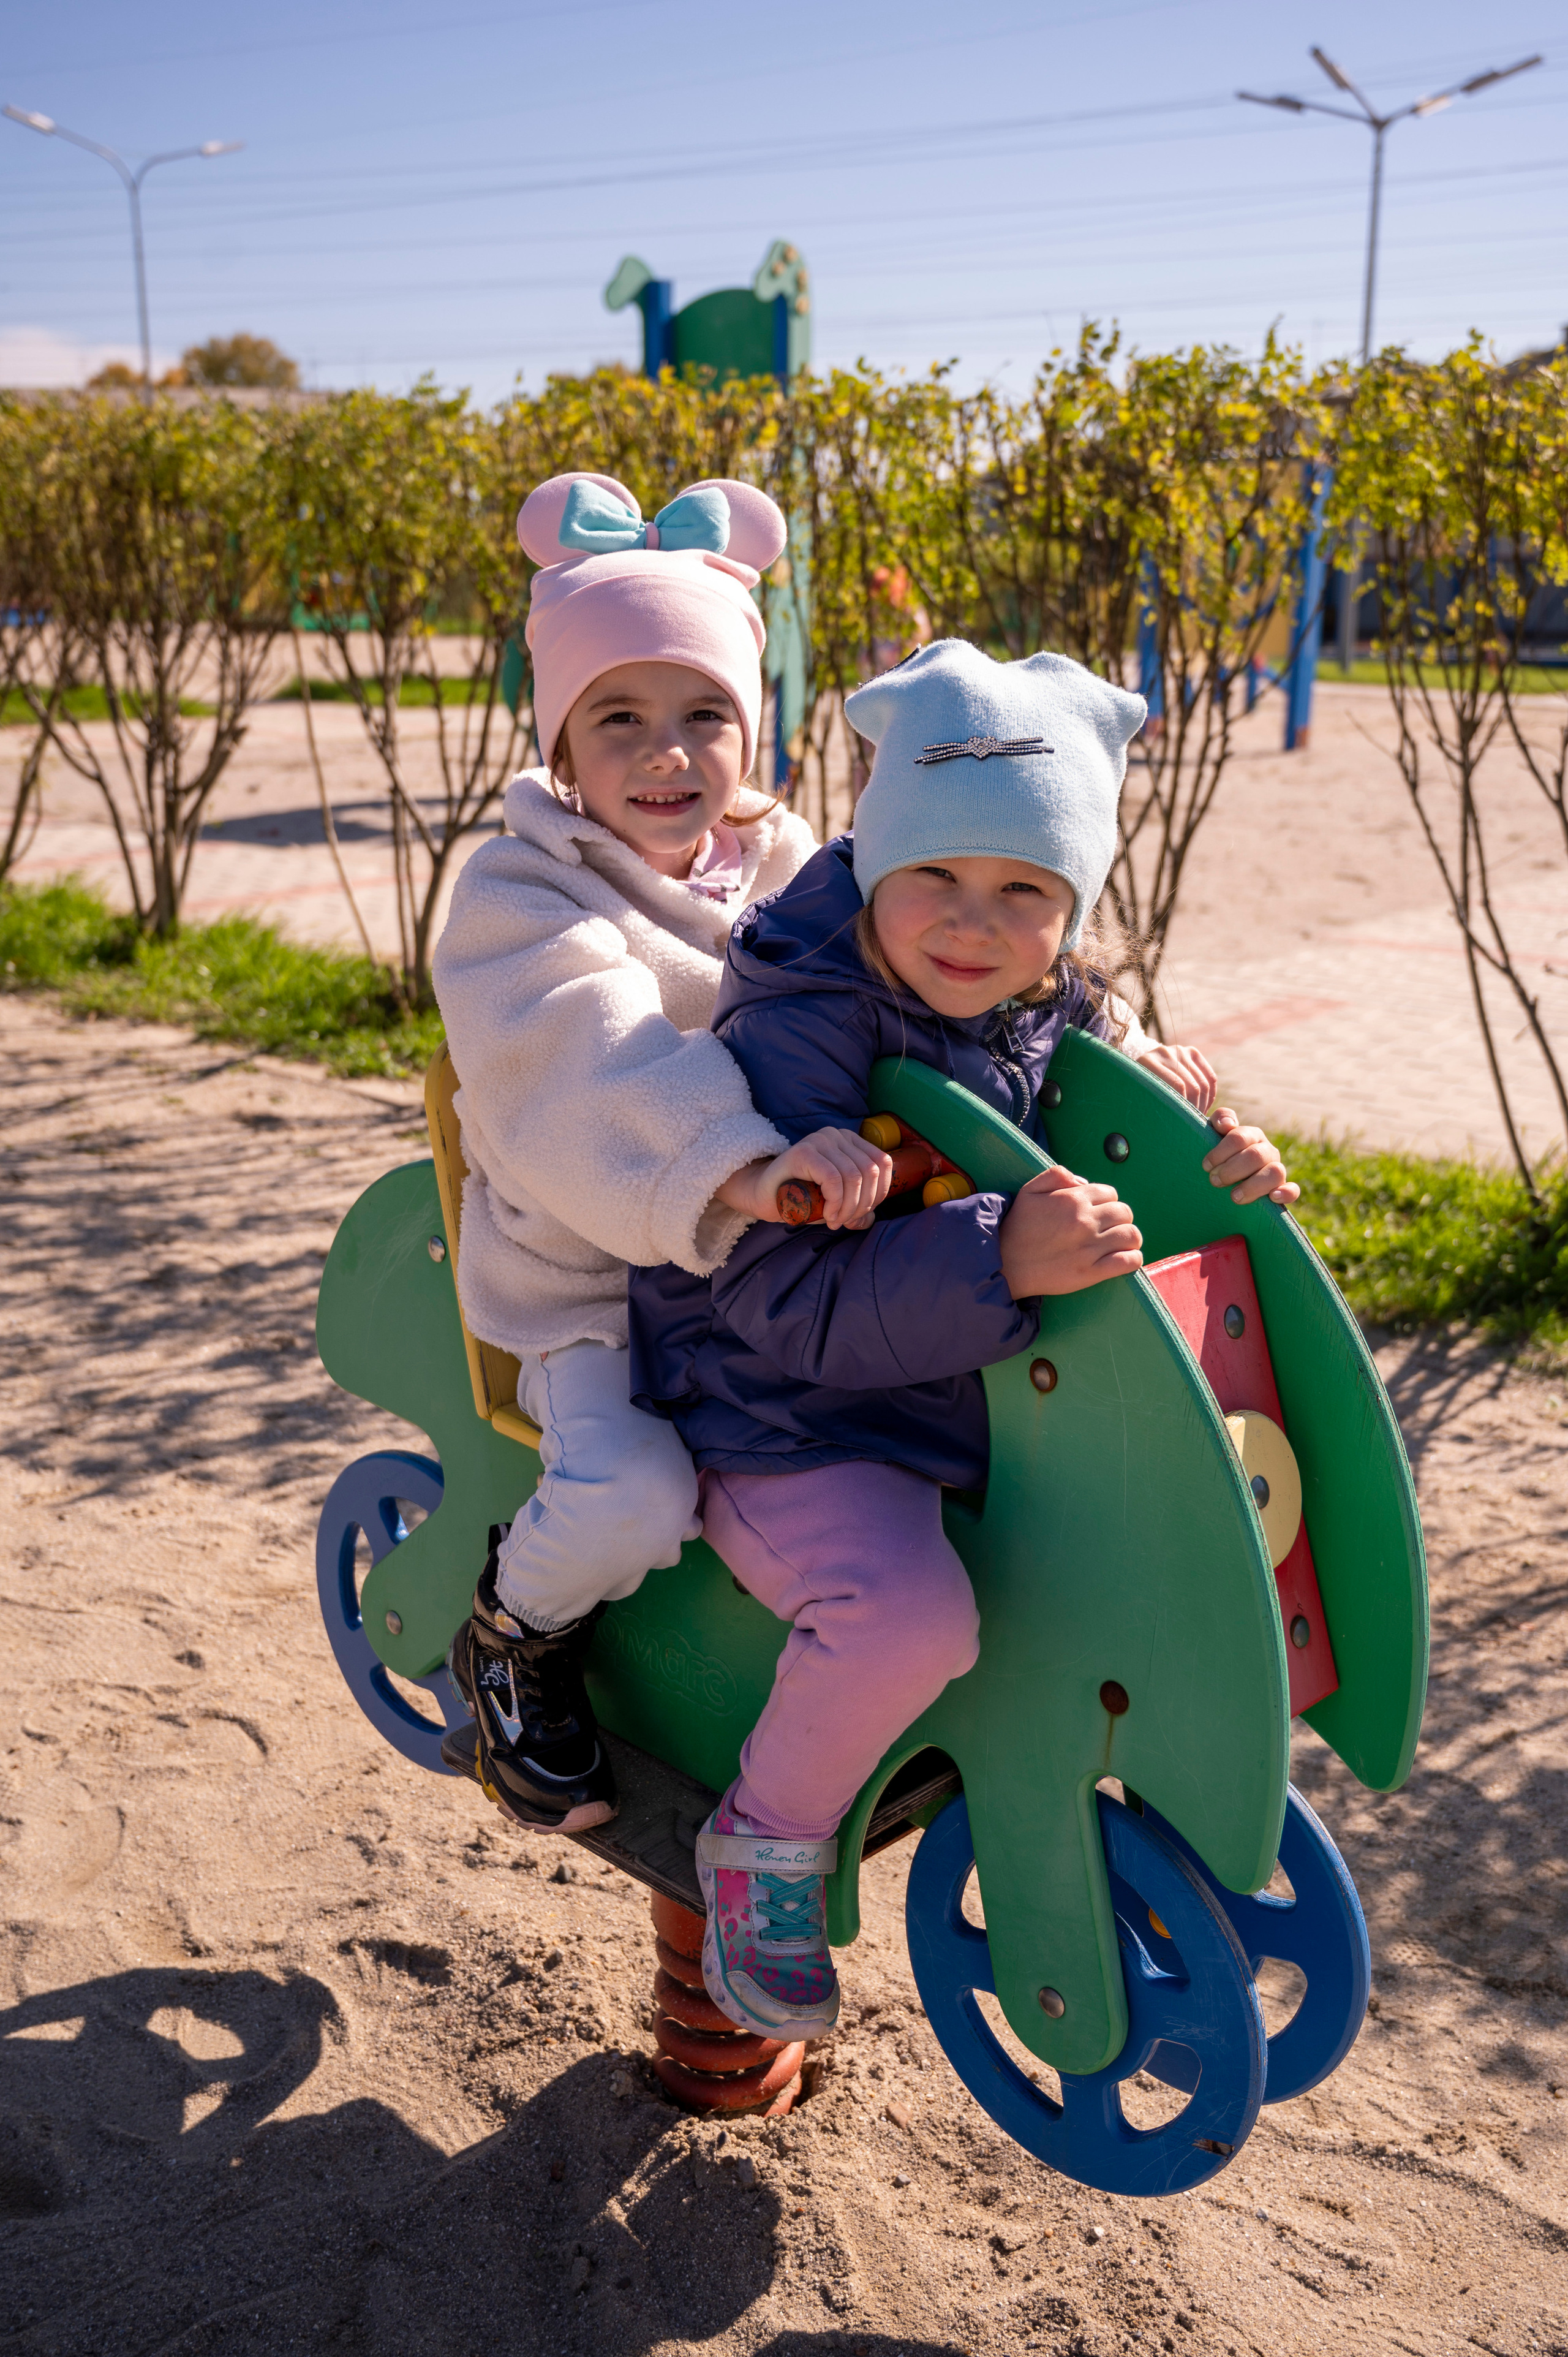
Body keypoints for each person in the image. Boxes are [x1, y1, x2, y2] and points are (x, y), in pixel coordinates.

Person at [628, 638, 1299, 2041]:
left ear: (1068, 907)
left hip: (962, 1399)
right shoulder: (795, 1027)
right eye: (934, 874)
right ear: (873, 854)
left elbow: (1099, 1175)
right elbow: (773, 1297)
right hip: (778, 1416)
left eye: (1023, 893)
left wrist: (1201, 1160)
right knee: (908, 1612)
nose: (970, 923)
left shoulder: (1052, 1013)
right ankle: (761, 1841)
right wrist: (992, 1251)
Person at [431, 471, 892, 1839]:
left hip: (765, 1258)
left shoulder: (795, 863)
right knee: (634, 1490)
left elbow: (913, 978)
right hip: (592, 1271)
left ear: (750, 732)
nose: (666, 754)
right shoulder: (520, 891)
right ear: (561, 743)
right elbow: (590, 1049)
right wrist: (740, 1166)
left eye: (704, 716)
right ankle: (516, 1633)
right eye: (617, 718)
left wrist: (1085, 1028)